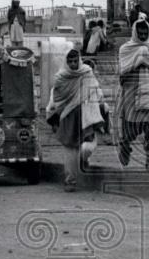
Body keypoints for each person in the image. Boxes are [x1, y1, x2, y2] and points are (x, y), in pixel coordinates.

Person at [46, 49, 107, 191]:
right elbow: (56, 99)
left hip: (87, 114)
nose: (73, 64)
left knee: (87, 147)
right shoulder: (61, 78)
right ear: (65, 62)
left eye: (75, 61)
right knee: (70, 151)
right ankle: (70, 181)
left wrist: (101, 105)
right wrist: (52, 115)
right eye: (70, 61)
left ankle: (83, 160)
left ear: (79, 60)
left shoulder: (87, 72)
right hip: (68, 117)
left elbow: (96, 90)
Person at [117, 18, 149, 171]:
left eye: (145, 33)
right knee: (130, 130)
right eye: (140, 33)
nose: (143, 36)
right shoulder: (125, 49)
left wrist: (145, 59)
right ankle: (124, 146)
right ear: (135, 32)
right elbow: (122, 76)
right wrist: (138, 61)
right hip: (131, 92)